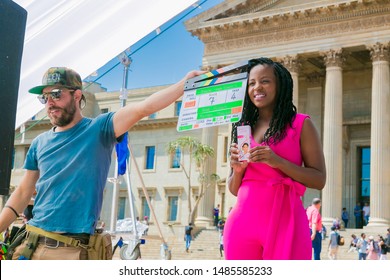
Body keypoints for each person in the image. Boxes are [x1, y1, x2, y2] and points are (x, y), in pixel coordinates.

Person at [0, 66, 204, 260]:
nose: (49, 103)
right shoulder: (38, 143)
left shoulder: (100, 128)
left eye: (56, 94)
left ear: (77, 95)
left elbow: (144, 108)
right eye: (44, 97)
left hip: (69, 250)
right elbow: (22, 193)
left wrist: (183, 84)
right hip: (29, 245)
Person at [223, 58, 326, 260]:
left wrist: (278, 161)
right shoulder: (242, 127)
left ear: (280, 85)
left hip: (286, 222)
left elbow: (319, 179)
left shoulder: (301, 124)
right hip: (241, 225)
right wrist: (237, 170)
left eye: (265, 81)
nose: (257, 87)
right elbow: (235, 189)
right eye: (251, 83)